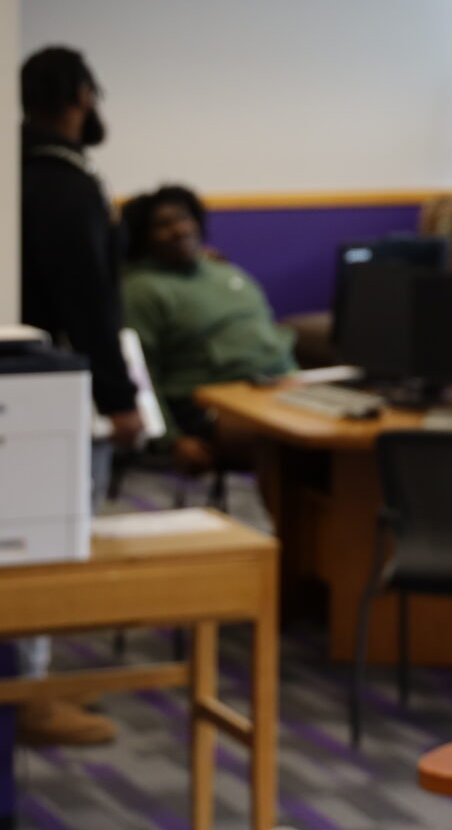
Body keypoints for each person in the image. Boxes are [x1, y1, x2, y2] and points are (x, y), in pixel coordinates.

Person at [15, 45, 141, 746]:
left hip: (22, 376)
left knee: (43, 533)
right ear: (78, 96)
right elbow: (90, 301)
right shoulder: (64, 183)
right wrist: (119, 397)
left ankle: (34, 676)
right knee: (51, 536)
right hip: (60, 387)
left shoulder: (13, 168)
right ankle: (28, 695)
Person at [120, 184, 296, 464]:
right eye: (163, 225)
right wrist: (171, 440)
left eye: (183, 218)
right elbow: (141, 374)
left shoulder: (225, 271)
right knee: (295, 441)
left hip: (286, 387)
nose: (180, 230)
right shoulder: (141, 290)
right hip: (211, 408)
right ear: (144, 237)